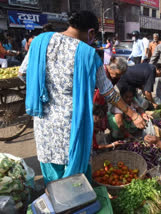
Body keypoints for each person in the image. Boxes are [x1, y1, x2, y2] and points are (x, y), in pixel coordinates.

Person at [18, 11, 146, 184]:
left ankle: (57, 203)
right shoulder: (89, 54)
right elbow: (108, 91)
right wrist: (133, 114)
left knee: (52, 170)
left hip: (44, 120)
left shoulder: (40, 42)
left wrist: (44, 91)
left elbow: (23, 73)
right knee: (75, 175)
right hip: (73, 124)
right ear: (91, 32)